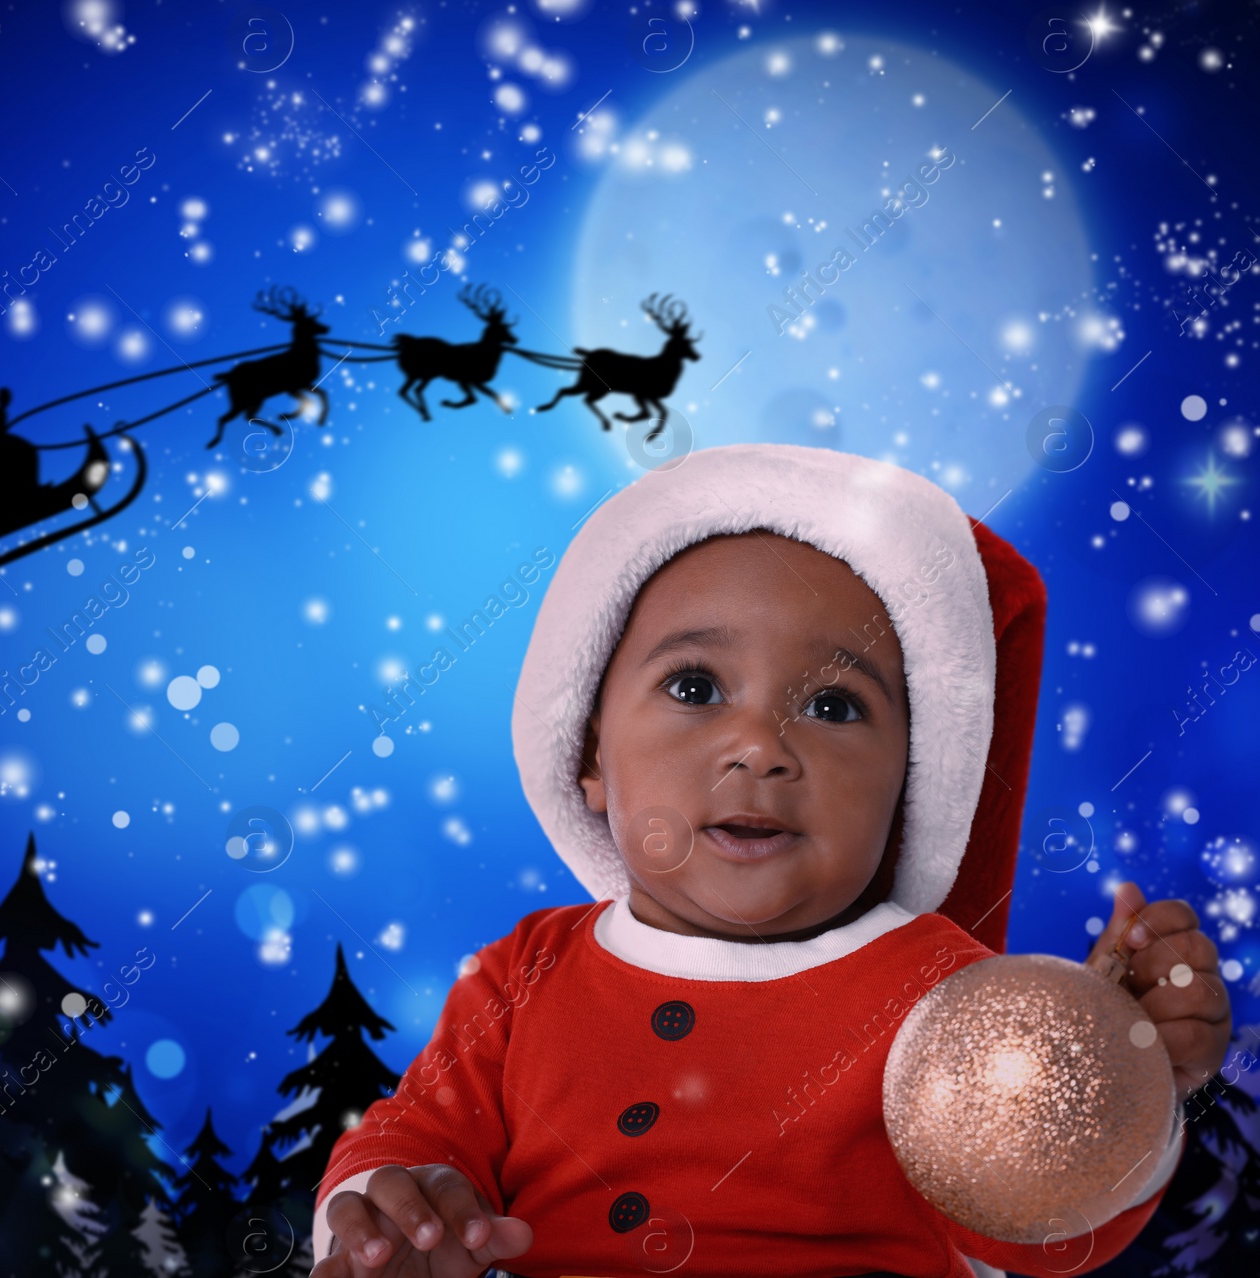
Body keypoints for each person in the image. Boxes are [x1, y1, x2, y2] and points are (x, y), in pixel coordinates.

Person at [308, 443, 1232, 1278]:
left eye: (834, 707)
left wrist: (1119, 1074)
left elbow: (1041, 1235)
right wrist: (402, 1209)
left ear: (912, 785)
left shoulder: (940, 987)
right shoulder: (525, 974)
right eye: (696, 687)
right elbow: (420, 1132)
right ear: (588, 755)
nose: (760, 746)